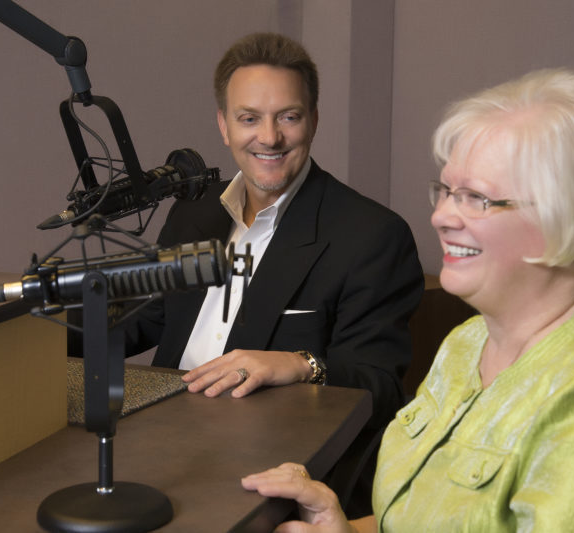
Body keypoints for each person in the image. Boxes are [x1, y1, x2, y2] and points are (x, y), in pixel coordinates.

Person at [241, 68, 574, 532]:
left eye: (476, 198)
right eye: (446, 191)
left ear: (566, 219)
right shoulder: (468, 343)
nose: (441, 217)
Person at [124, 32, 424, 513]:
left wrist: (298, 363)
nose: (269, 137)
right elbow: (148, 316)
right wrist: (27, 335)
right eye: (249, 118)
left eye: (288, 116)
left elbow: (380, 387)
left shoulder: (372, 234)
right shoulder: (194, 212)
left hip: (269, 470)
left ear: (313, 121)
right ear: (224, 126)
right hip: (159, 446)